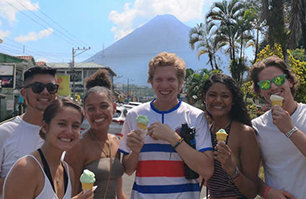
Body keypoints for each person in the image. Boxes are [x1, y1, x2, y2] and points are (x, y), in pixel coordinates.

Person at [118, 52, 214, 199]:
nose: (164, 85)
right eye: (159, 79)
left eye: (171, 79)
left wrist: (173, 138)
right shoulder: (134, 115)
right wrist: (135, 152)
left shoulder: (196, 116)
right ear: (150, 81)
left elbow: (207, 170)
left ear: (181, 83)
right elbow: (128, 170)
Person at [250, 55, 306, 199]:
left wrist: (289, 130)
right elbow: (250, 177)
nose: (273, 87)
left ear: (290, 82)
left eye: (279, 80)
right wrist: (267, 191)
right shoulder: (257, 127)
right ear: (260, 91)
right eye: (265, 84)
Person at [3, 98, 94, 198]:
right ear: (45, 127)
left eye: (75, 126)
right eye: (62, 124)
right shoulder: (26, 168)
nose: (69, 131)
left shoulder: (68, 172)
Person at [0, 66, 58, 197]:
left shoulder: (64, 133)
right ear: (24, 93)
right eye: (37, 87)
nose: (45, 92)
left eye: (51, 88)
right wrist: (30, 182)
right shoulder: (5, 132)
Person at [202, 73, 260, 199]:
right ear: (204, 98)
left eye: (225, 96)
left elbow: (252, 191)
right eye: (212, 95)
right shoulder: (204, 132)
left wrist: (232, 169)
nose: (218, 100)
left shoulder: (244, 133)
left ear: (233, 100)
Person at [65, 85, 126, 198]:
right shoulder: (78, 145)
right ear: (85, 113)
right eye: (91, 108)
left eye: (103, 106)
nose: (98, 112)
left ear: (114, 107)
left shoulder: (116, 142)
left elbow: (119, 192)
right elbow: (70, 193)